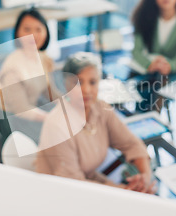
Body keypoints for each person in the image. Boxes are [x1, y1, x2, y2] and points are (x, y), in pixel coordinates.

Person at [36, 52, 155, 194]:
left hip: (89, 181)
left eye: (92, 82)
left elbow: (131, 144)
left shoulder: (100, 108)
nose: (86, 90)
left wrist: (145, 177)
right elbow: (72, 184)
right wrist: (127, 191)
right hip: (59, 193)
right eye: (78, 83)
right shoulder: (57, 125)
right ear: (66, 83)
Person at [0, 8, 58, 142]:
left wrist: (68, 104)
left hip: (34, 109)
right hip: (15, 120)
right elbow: (21, 110)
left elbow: (50, 91)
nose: (33, 35)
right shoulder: (12, 68)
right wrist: (51, 119)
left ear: (46, 32)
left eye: (38, 29)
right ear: (18, 32)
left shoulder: (43, 58)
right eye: (27, 29)